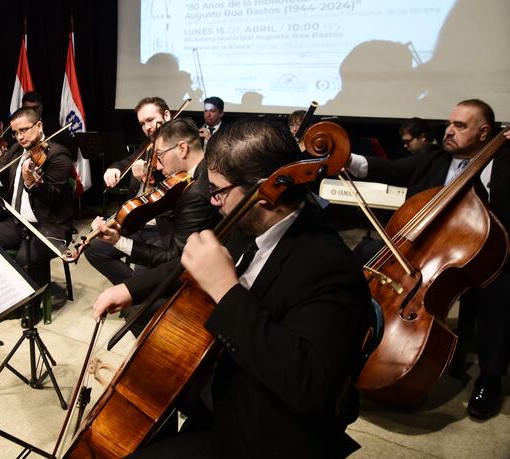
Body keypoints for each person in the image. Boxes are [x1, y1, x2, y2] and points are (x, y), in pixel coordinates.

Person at [92, 119, 370, 457]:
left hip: (262, 431)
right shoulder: (249, 222)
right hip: (219, 383)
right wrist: (131, 289)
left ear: (267, 191)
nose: (213, 202)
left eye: (218, 191)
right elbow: (192, 258)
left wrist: (226, 290)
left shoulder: (329, 267)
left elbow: (310, 387)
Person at [345, 99, 510, 419]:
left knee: (500, 289)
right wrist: (344, 157)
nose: (448, 130)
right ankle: (349, 336)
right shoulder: (435, 158)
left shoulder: (505, 163)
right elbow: (386, 168)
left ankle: (490, 379)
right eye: (449, 124)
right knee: (363, 254)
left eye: (460, 126)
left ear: (484, 132)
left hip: (487, 256)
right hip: (423, 258)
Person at [85, 118, 220, 304]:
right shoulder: (200, 172)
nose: (157, 165)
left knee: (134, 310)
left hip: (195, 273)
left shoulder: (195, 193)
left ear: (182, 149)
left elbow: (175, 260)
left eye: (160, 155)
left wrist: (118, 241)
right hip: (184, 249)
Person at [0, 107, 74, 324]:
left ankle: (31, 309)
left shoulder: (58, 154)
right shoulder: (17, 149)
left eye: (24, 130)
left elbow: (53, 196)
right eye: (15, 132)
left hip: (48, 225)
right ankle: (7, 297)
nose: (20, 136)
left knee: (27, 257)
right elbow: (0, 164)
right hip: (18, 221)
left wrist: (32, 183)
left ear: (39, 126)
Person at [103, 96, 172, 196]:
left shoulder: (176, 148)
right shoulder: (147, 144)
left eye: (150, 119)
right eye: (142, 124)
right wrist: (114, 168)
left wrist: (147, 180)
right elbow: (128, 161)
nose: (147, 127)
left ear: (166, 115)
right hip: (133, 203)